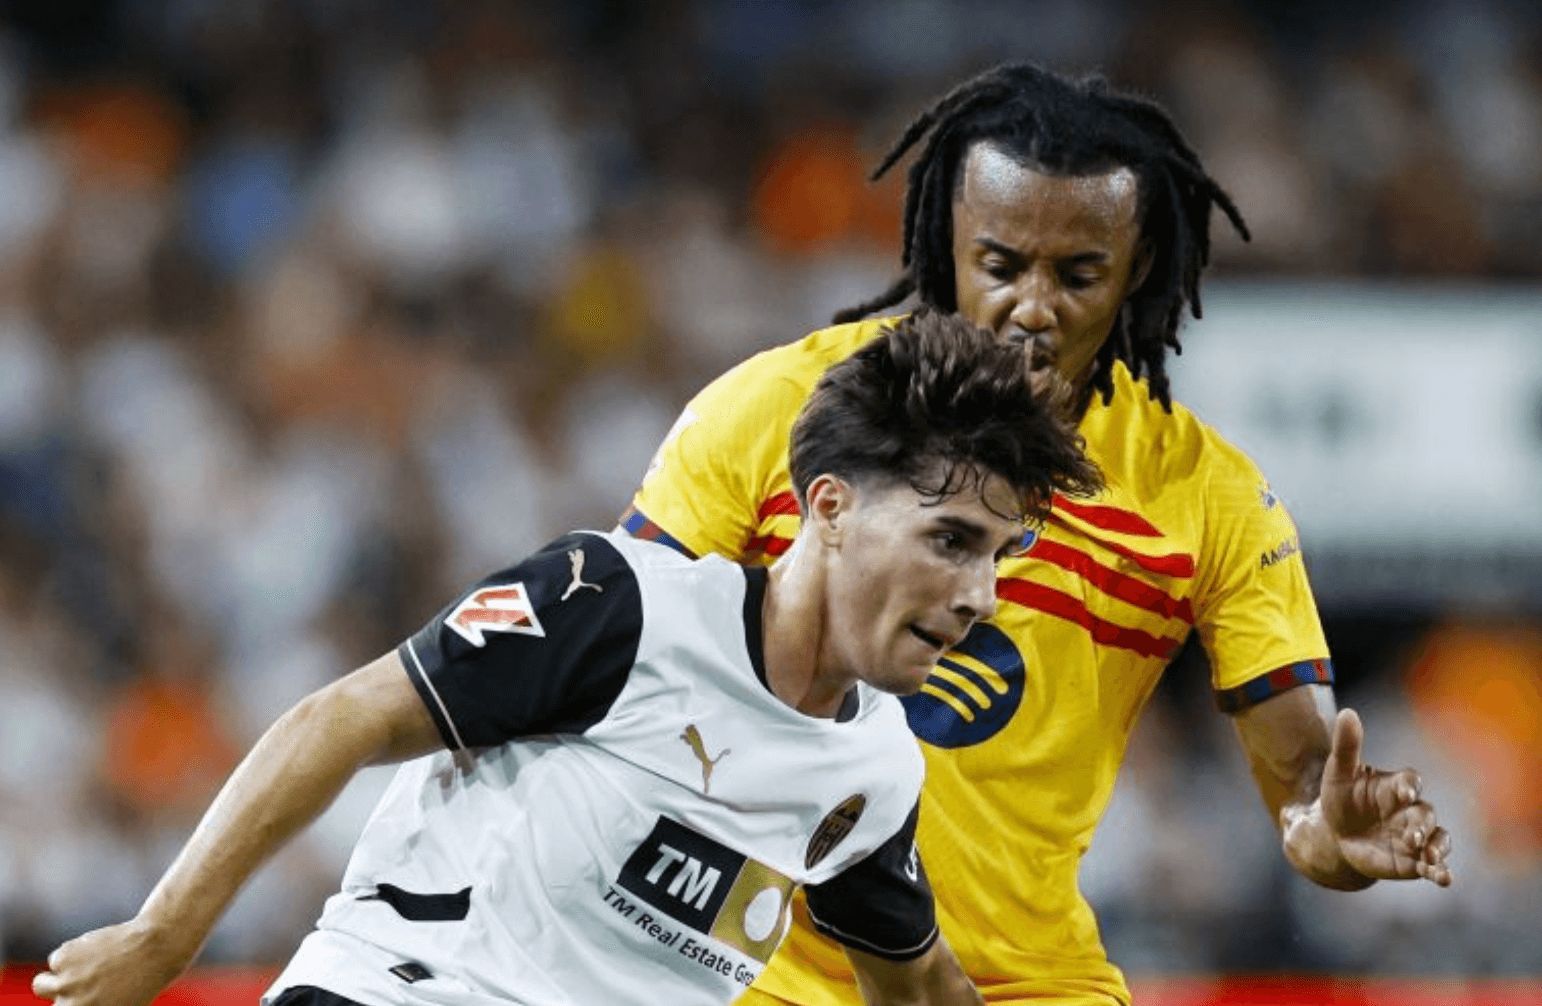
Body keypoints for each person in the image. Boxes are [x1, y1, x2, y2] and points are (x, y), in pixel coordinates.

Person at [620, 64, 1453, 1006]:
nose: (1034, 307)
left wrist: (1329, 834)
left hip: (1022, 983)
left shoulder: (1206, 496)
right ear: (947, 241)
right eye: (1002, 265)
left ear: (1137, 267)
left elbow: (1303, 777)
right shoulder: (775, 411)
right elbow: (620, 639)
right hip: (749, 969)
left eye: (1078, 274)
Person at [32, 310, 1102, 1006]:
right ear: (828, 507)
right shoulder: (618, 605)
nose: (980, 597)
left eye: (1001, 558)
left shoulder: (871, 775)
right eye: (951, 541)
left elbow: (919, 990)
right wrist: (163, 938)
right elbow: (341, 719)